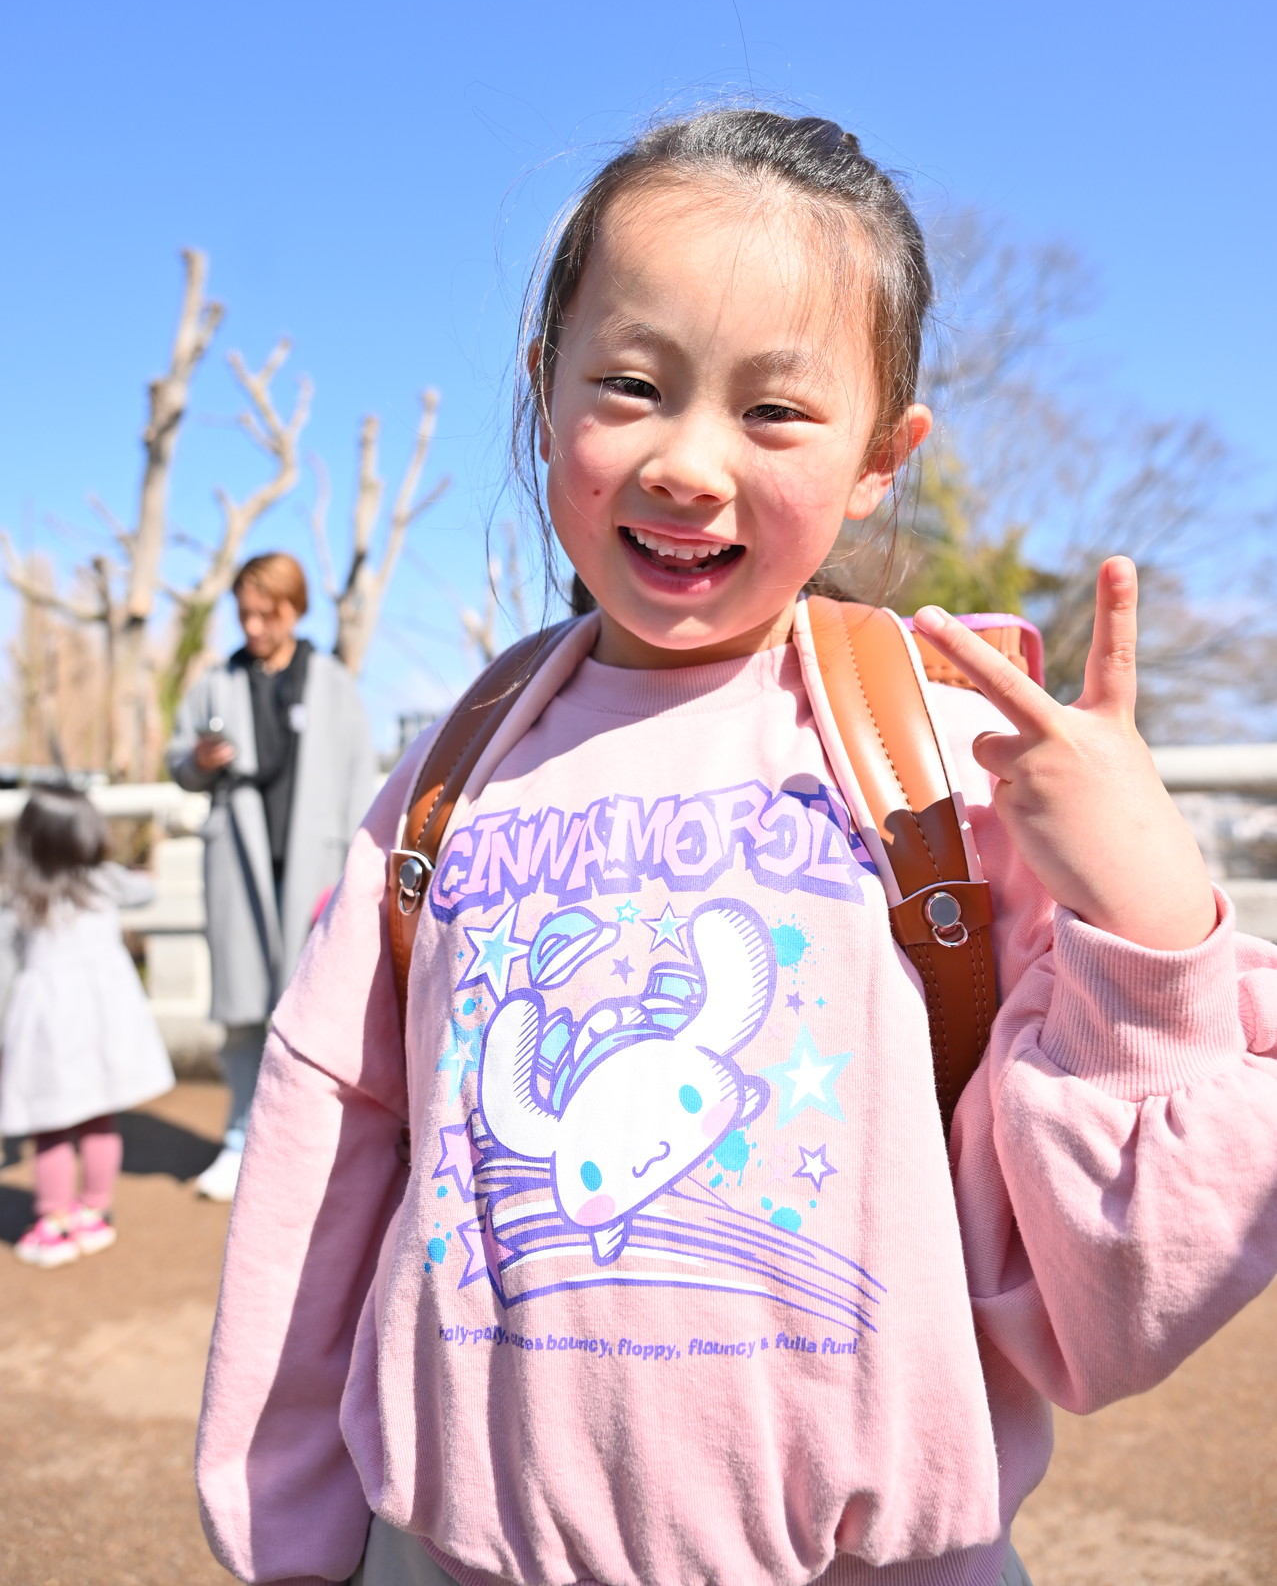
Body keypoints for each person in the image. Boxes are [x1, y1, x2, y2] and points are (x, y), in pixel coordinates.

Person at [195, 112, 1277, 1586]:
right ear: (546, 392)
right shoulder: (454, 771)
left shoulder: (946, 764)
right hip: (450, 1555)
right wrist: (294, 1540)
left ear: (881, 457)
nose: (688, 463)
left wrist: (1145, 904)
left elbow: (1118, 1291)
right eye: (631, 387)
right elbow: (327, 1152)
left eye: (773, 411)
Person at [168, 551, 375, 1201]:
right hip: (239, 863)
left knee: (314, 1007)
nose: (255, 627)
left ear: (295, 609)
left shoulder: (331, 682)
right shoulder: (216, 682)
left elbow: (358, 777)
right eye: (246, 615)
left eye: (268, 614)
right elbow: (179, 763)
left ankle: (307, 1148)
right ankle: (239, 1139)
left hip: (317, 868)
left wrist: (355, 869)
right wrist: (199, 761)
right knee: (240, 1008)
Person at [1, 784, 175, 1267]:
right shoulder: (106, 882)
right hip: (104, 1024)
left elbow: (5, 972)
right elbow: (147, 890)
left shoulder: (19, 896)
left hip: (48, 1030)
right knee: (100, 1118)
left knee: (50, 1124)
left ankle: (54, 1219)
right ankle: (95, 1212)